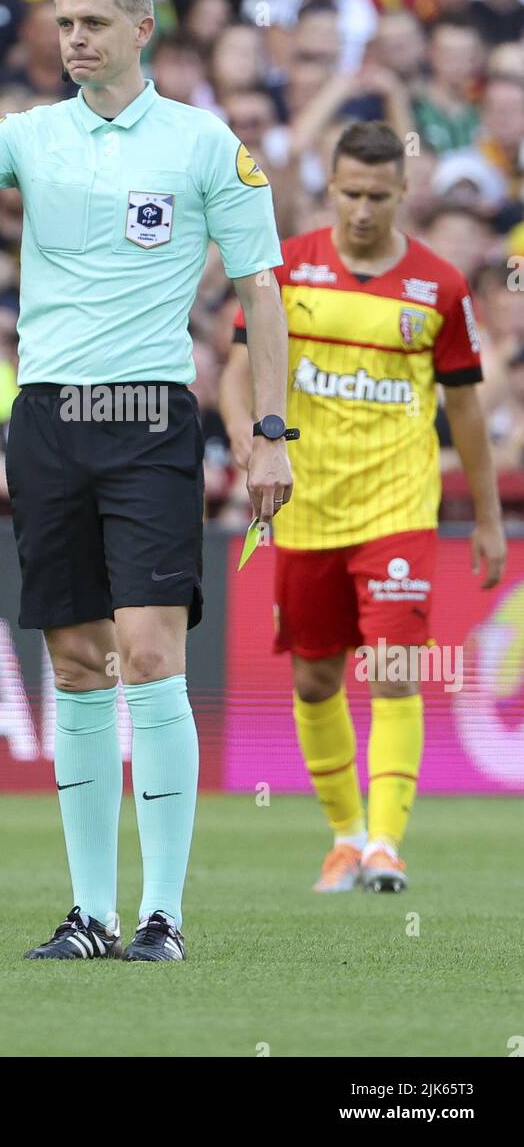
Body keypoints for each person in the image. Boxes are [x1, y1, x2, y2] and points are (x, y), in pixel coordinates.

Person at [0, 0, 291, 961]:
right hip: (49, 417)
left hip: (150, 417)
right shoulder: (32, 135)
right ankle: (91, 913)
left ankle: (165, 915)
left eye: (93, 23)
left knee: (151, 650)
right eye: (63, 23)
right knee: (75, 661)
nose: (73, 39)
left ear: (143, 30)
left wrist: (269, 433)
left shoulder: (202, 145)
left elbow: (261, 291)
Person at [220, 121, 507, 897]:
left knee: (392, 671)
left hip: (398, 509)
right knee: (315, 680)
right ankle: (345, 837)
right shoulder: (287, 267)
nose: (362, 210)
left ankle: (386, 844)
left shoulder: (439, 285)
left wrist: (483, 519)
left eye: (378, 196)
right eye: (349, 193)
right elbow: (235, 373)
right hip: (307, 509)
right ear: (330, 183)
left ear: (403, 193)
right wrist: (250, 442)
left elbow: (469, 413)